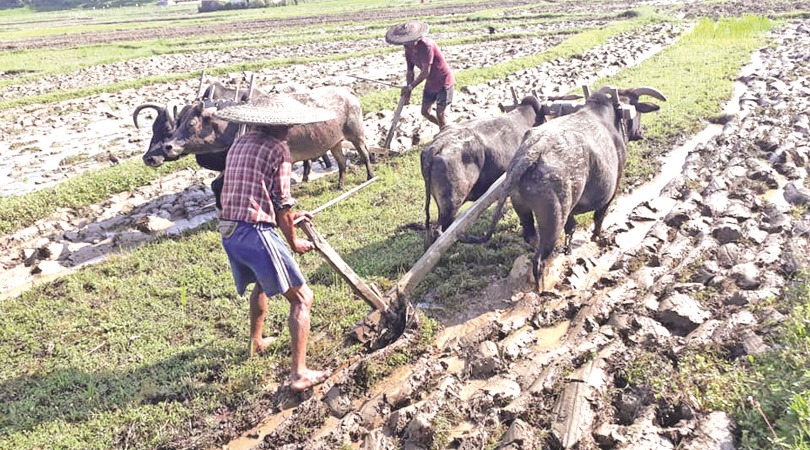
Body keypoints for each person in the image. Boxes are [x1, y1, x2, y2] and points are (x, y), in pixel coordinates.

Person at [215, 95, 336, 392]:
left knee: (262, 280)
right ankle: (299, 374)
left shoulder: (241, 142)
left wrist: (289, 218)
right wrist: (293, 240)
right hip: (255, 232)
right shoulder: (278, 148)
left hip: (230, 229)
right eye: (289, 124)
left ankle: (256, 342)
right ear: (281, 126)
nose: (291, 128)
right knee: (302, 298)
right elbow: (281, 202)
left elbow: (255, 193)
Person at [386, 21, 455, 129]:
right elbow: (410, 71)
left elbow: (425, 71)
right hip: (431, 83)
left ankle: (445, 130)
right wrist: (408, 92)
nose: (407, 45)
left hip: (443, 81)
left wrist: (411, 86)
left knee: (440, 114)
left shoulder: (427, 46)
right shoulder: (408, 49)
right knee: (425, 112)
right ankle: (446, 128)